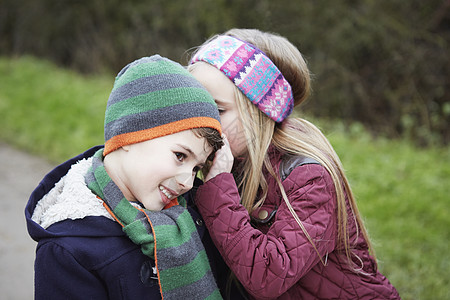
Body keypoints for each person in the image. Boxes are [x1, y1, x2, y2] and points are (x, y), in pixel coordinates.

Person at [187, 29, 401, 299]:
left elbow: (266, 275)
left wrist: (218, 186)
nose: (201, 121)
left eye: (218, 110)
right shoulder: (230, 159)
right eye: (194, 106)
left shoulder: (309, 177)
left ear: (260, 111)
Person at [25, 55, 227, 299]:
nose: (187, 182)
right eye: (180, 156)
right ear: (131, 135)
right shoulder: (68, 250)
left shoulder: (190, 216)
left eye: (197, 168)